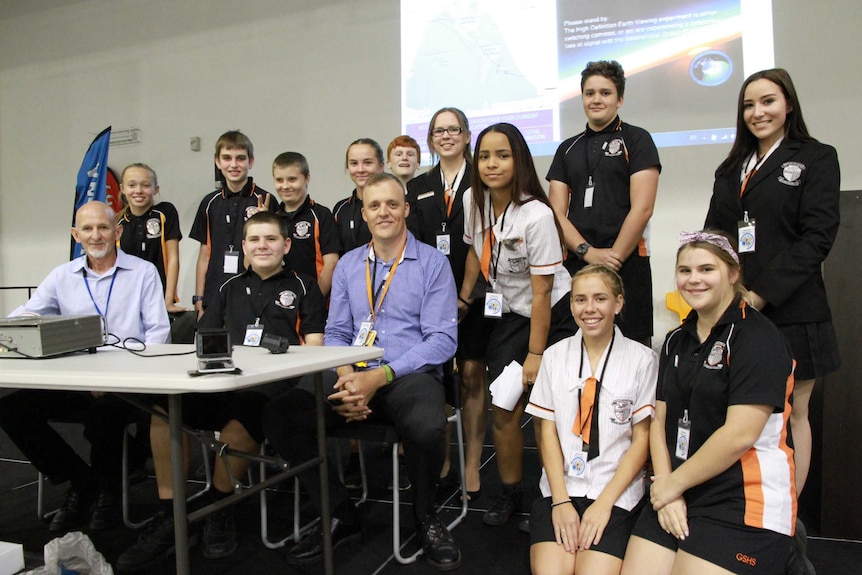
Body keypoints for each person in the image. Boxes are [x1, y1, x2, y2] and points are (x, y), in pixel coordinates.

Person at [263, 173, 461, 571]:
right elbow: (336, 332)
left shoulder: (433, 263)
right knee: (281, 414)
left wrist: (379, 377)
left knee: (426, 426)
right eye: (374, 206)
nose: (383, 212)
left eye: (392, 204)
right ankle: (340, 513)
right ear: (364, 213)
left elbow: (442, 341)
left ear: (405, 209)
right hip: (352, 373)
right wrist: (350, 376)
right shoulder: (350, 265)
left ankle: (426, 516)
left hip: (408, 375)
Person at [116, 211, 326, 570]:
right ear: (243, 247)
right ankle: (173, 515)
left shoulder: (305, 287)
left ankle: (219, 505)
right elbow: (204, 341)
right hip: (225, 380)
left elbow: (315, 348)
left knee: (243, 414)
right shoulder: (227, 289)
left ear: (287, 245)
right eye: (255, 240)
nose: (263, 246)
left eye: (271, 239)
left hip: (274, 389)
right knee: (164, 409)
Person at [621, 231, 796, 575]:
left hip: (740, 500)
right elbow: (659, 418)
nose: (694, 279)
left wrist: (672, 485)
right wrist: (666, 485)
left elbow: (739, 435)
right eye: (685, 271)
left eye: (706, 269)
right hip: (679, 487)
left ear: (733, 274)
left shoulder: (758, 338)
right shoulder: (674, 340)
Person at [704, 68, 840, 499]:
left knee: (791, 413)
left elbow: (817, 238)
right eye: (749, 104)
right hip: (737, 312)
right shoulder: (730, 168)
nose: (757, 112)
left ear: (789, 105)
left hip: (793, 309)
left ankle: (789, 518)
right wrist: (717, 288)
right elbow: (715, 235)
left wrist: (758, 294)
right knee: (739, 412)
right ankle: (739, 504)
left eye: (768, 101)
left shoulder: (816, 157)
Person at [0, 201, 170, 532]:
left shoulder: (143, 272)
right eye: (88, 229)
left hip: (129, 382)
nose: (96, 235)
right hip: (78, 378)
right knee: (11, 410)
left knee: (103, 415)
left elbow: (158, 335)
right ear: (76, 235)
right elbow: (25, 315)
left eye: (104, 228)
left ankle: (108, 489)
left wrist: (117, 378)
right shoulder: (62, 276)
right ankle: (81, 480)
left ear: (117, 232)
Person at [458, 123, 576, 527]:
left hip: (554, 317)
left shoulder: (537, 215)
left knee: (551, 410)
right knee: (504, 406)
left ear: (519, 159)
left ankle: (556, 496)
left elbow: (542, 293)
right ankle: (511, 492)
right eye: (485, 155)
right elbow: (477, 253)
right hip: (509, 313)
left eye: (503, 155)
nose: (492, 164)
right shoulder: (473, 199)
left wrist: (535, 354)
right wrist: (464, 296)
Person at [527, 265, 656, 575]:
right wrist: (560, 502)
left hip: (614, 490)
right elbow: (547, 433)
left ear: (619, 303)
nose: (589, 309)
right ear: (570, 305)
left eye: (600, 298)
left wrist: (603, 505)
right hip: (561, 486)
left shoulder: (643, 359)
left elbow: (642, 440)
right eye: (579, 300)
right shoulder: (554, 356)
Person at [546, 60, 661, 345]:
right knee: (570, 345)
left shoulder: (637, 140)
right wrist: (587, 252)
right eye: (590, 93)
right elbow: (556, 212)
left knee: (634, 350)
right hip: (577, 263)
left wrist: (613, 258)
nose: (596, 99)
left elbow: (643, 208)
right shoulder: (567, 148)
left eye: (606, 93)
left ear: (620, 99)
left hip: (627, 262)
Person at [406, 107, 487, 499]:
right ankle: (442, 462)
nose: (447, 136)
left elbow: (487, 241)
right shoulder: (418, 185)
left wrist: (466, 295)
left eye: (454, 129)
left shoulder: (483, 179)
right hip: (431, 296)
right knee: (435, 380)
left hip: (476, 291)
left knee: (471, 375)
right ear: (431, 139)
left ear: (468, 136)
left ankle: (471, 463)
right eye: (439, 131)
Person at [190, 130, 278, 318]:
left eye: (240, 158)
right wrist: (199, 299)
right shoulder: (209, 203)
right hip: (214, 293)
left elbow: (275, 255)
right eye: (227, 158)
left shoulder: (265, 200)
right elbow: (204, 255)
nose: (233, 164)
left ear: (250, 161)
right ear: (217, 161)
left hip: (252, 292)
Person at [117, 163, 188, 313]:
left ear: (156, 189)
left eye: (145, 185)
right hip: (128, 301)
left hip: (159, 298)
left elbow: (173, 259)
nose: (138, 191)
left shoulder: (165, 212)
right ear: (122, 188)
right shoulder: (118, 223)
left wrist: (168, 301)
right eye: (131, 185)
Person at [272, 151, 340, 298]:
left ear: (307, 178)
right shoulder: (272, 219)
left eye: (292, 179)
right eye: (279, 180)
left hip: (314, 303)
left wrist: (314, 300)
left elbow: (332, 262)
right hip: (279, 305)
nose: (285, 186)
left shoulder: (321, 215)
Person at [332, 138, 386, 253]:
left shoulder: (394, 206)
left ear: (381, 166)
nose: (360, 170)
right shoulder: (341, 209)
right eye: (354, 163)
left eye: (368, 162)